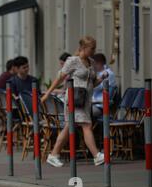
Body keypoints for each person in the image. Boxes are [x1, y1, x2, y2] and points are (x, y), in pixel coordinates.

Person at [41, 36, 108, 167]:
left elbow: (92, 83)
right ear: (83, 48)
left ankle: (53, 154)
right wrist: (47, 93)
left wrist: (101, 78)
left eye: (94, 48)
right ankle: (96, 155)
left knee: (68, 127)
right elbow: (59, 78)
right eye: (91, 48)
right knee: (86, 125)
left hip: (86, 100)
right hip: (75, 100)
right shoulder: (73, 61)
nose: (94, 51)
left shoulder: (91, 62)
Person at [91, 53, 116, 118]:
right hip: (94, 104)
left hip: (101, 106)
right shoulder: (99, 73)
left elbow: (96, 87)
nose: (93, 66)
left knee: (83, 113)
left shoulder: (108, 74)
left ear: (100, 63)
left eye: (94, 64)